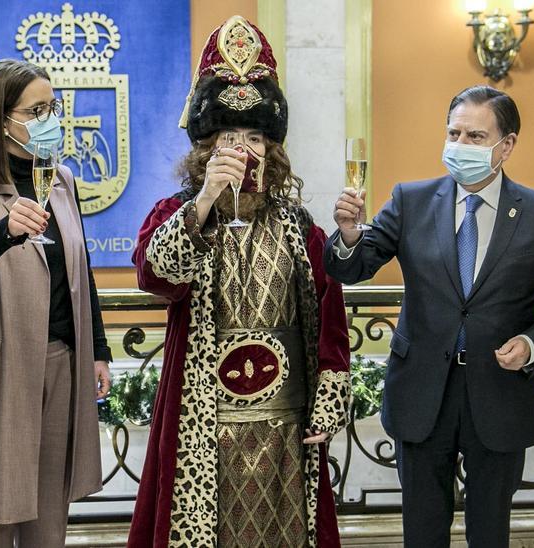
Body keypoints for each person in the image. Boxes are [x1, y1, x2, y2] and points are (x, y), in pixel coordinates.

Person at [325, 85, 534, 546]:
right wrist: (348, 236)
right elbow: (354, 268)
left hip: (500, 395)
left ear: (505, 146)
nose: (460, 146)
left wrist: (531, 345)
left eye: (475, 137)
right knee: (423, 534)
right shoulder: (410, 200)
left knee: (490, 534)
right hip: (422, 393)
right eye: (454, 133)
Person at [127, 16, 351, 548]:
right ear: (207, 149)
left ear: (271, 150)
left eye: (254, 137)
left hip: (286, 427)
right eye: (229, 137)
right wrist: (205, 200)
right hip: (203, 423)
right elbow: (155, 277)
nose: (244, 150)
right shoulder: (179, 211)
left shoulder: (300, 226)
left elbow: (330, 318)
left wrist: (329, 396)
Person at [0, 59, 111, 547]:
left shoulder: (61, 182)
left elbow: (80, 272)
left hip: (58, 362)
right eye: (38, 109)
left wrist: (97, 349)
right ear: (1, 118)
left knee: (47, 519)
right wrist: (7, 229)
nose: (50, 118)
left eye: (52, 107)